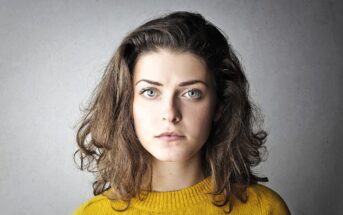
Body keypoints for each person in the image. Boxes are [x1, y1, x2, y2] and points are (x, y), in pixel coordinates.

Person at [72, 11, 290, 215]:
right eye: (150, 92)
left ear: (219, 106)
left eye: (192, 93)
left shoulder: (264, 209)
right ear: (127, 105)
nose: (170, 113)